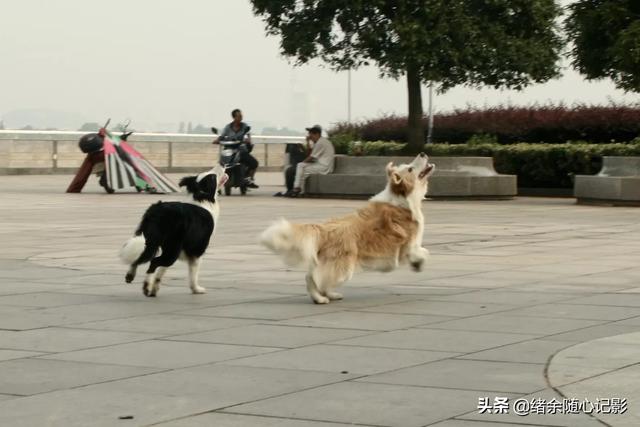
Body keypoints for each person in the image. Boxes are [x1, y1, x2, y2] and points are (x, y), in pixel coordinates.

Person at [213, 108, 259, 188]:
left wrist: (248, 140)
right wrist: (217, 140)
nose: (241, 118)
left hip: (240, 151)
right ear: (234, 117)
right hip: (229, 150)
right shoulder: (228, 127)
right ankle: (218, 182)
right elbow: (222, 136)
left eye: (241, 116)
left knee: (254, 163)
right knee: (221, 163)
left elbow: (247, 135)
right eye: (239, 116)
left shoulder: (245, 126)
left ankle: (249, 178)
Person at [288, 125, 335, 197]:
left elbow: (311, 157)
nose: (309, 135)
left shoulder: (320, 143)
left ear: (317, 134)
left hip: (324, 167)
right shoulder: (319, 141)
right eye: (309, 133)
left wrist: (302, 163)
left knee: (300, 166)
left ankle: (296, 188)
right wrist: (308, 142)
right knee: (303, 171)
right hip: (321, 165)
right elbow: (309, 153)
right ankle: (301, 192)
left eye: (311, 134)